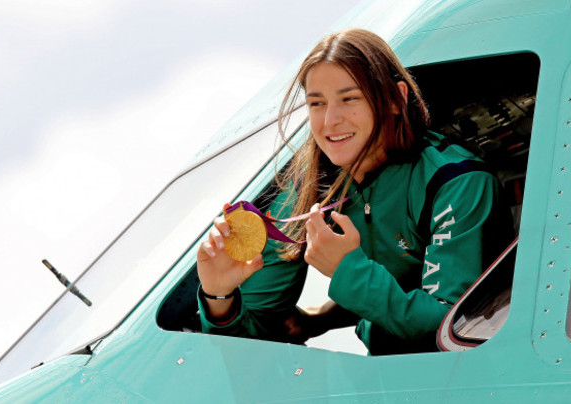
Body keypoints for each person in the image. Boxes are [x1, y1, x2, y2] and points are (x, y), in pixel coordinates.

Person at [196, 28, 513, 355]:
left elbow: (450, 330)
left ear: (395, 99)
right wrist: (219, 296)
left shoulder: (458, 182)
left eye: (350, 98)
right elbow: (250, 345)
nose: (330, 120)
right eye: (316, 103)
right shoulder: (309, 190)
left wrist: (348, 270)